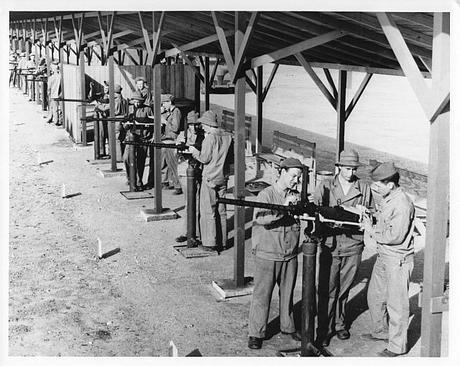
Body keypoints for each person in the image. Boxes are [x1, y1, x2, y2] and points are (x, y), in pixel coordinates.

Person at [314, 149, 373, 347]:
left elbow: (370, 214)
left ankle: (339, 324)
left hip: (353, 244)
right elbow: (316, 210)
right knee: (327, 288)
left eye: (354, 169)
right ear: (338, 167)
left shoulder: (363, 188)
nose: (350, 173)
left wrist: (365, 214)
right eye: (347, 169)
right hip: (331, 244)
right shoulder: (325, 186)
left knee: (344, 288)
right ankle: (323, 327)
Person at [247, 157, 304, 350]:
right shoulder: (266, 194)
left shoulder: (295, 195)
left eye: (299, 177)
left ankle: (288, 327)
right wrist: (284, 208)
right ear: (281, 172)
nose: (296, 181)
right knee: (262, 295)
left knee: (287, 294)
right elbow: (262, 219)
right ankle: (256, 332)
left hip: (289, 254)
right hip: (268, 253)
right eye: (293, 176)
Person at [361, 162, 415, 357]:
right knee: (375, 296)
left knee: (397, 305)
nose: (376, 187)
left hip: (397, 259)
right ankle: (380, 332)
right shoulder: (389, 197)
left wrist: (371, 230)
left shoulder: (402, 203)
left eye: (379, 184)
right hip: (384, 255)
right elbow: (385, 219)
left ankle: (397, 347)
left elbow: (395, 236)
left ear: (390, 184)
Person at [188, 110, 232, 252]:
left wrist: (194, 151)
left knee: (208, 210)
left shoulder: (210, 138)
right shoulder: (228, 137)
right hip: (223, 177)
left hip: (210, 177)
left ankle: (210, 243)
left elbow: (204, 158)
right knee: (222, 211)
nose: (202, 127)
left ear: (208, 124)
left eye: (203, 124)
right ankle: (223, 241)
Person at [175, 111, 205, 245]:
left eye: (197, 124)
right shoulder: (183, 135)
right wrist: (182, 147)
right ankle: (188, 232)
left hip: (198, 171)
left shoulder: (203, 136)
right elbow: (177, 152)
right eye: (192, 124)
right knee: (190, 203)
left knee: (197, 202)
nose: (194, 127)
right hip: (185, 171)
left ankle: (196, 232)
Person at [122, 91, 154, 190]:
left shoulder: (148, 109)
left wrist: (151, 134)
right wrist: (127, 123)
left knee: (141, 160)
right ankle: (130, 177)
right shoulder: (130, 109)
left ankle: (139, 180)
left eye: (138, 101)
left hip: (143, 137)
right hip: (131, 136)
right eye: (135, 101)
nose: (136, 103)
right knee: (126, 158)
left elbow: (154, 122)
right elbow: (124, 124)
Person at [160, 94, 182, 194]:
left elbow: (175, 127)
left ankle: (178, 185)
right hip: (168, 138)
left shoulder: (176, 112)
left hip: (173, 139)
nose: (163, 105)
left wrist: (165, 122)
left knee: (173, 163)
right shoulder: (170, 112)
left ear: (169, 102)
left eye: (164, 103)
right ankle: (167, 181)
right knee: (166, 161)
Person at [88, 81, 110, 156]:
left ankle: (111, 152)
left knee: (109, 135)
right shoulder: (101, 95)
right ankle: (101, 152)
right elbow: (91, 98)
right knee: (101, 134)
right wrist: (91, 89)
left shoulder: (112, 96)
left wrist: (97, 103)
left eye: (107, 88)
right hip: (101, 117)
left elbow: (107, 102)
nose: (105, 89)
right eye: (105, 87)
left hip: (108, 117)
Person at [46, 61, 62, 126]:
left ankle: (55, 121)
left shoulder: (51, 78)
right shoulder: (60, 77)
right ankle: (51, 118)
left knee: (54, 108)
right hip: (59, 94)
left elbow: (48, 88)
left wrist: (48, 93)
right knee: (57, 108)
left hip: (53, 94)